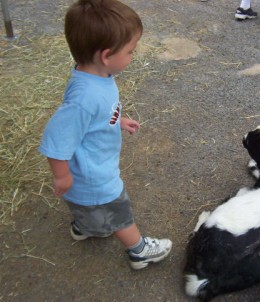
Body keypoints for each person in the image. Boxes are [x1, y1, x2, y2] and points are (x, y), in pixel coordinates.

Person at [39, 0, 172, 270]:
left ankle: (83, 226)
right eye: (131, 51)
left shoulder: (96, 76)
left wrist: (117, 120)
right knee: (118, 211)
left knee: (87, 206)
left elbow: (95, 116)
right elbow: (56, 139)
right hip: (94, 175)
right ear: (106, 55)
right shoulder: (85, 97)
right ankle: (139, 251)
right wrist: (62, 175)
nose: (133, 56)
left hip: (91, 170)